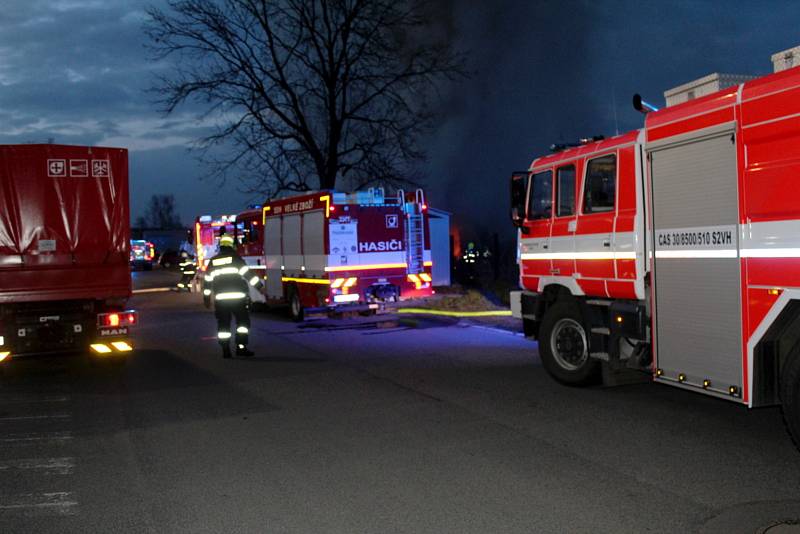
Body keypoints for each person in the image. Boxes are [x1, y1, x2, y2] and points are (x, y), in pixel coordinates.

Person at [205, 234, 263, 358]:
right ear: (231, 245)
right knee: (242, 323)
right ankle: (241, 347)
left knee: (223, 325)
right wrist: (260, 287)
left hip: (221, 300)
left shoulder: (213, 261)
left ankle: (225, 350)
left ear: (220, 246)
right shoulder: (236, 258)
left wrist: (206, 298)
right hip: (238, 299)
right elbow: (248, 275)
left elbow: (207, 281)